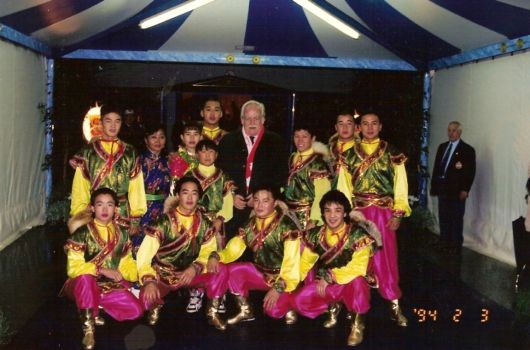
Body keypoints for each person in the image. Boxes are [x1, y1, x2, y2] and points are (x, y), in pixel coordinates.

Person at [136, 177, 228, 331]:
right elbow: (143, 257)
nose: (190, 197)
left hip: (190, 273)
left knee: (221, 270)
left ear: (199, 197)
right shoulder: (163, 222)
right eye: (185, 193)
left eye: (194, 193)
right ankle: (156, 305)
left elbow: (208, 250)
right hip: (164, 274)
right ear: (178, 195)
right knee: (144, 301)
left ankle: (212, 312)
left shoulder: (204, 223)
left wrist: (195, 268)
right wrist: (150, 281)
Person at [293, 190, 379, 347]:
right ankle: (335, 305)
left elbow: (359, 267)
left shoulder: (358, 234)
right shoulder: (316, 235)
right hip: (330, 284)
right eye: (328, 210)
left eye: (337, 210)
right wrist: (286, 283)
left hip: (350, 282)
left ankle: (357, 325)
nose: (332, 215)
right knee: (299, 302)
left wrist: (328, 277)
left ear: (345, 212)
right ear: (323, 213)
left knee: (359, 281)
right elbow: (304, 263)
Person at [61, 188, 144, 350]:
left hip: (106, 286)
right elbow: (73, 268)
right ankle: (88, 328)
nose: (105, 209)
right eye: (100, 205)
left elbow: (126, 264)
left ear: (116, 209)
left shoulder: (122, 234)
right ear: (92, 208)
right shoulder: (82, 233)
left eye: (109, 205)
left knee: (136, 310)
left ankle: (94, 304)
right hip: (79, 284)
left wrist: (143, 276)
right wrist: (103, 271)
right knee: (86, 278)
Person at [207, 185, 301, 325]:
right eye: (256, 200)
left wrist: (279, 287)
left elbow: (292, 264)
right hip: (261, 274)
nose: (259, 205)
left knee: (274, 311)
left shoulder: (287, 227)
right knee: (232, 271)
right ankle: (245, 310)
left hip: (284, 278)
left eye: (265, 201)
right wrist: (216, 256)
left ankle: (289, 305)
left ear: (275, 203)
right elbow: (233, 249)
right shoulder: (249, 225)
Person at [350, 112, 411, 327]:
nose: (369, 127)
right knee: (357, 260)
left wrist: (398, 213)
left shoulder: (392, 153)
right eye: (365, 124)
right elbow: (342, 189)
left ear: (380, 126)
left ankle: (394, 305)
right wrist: (345, 217)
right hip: (358, 215)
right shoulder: (349, 155)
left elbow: (401, 188)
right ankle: (356, 308)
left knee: (386, 260)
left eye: (373, 123)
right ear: (359, 127)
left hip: (383, 214)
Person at [69, 103, 147, 233]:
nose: (113, 125)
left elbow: (136, 187)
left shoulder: (130, 152)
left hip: (121, 213)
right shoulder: (87, 153)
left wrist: (135, 219)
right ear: (100, 123)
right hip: (95, 212)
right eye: (108, 121)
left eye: (117, 121)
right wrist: (80, 215)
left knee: (120, 251)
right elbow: (80, 188)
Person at [217, 100, 288, 239]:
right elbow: (220, 173)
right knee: (232, 249)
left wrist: (257, 196)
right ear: (242, 120)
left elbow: (280, 175)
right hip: (233, 207)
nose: (252, 122)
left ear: (263, 119)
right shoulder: (227, 141)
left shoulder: (276, 141)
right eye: (248, 118)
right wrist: (231, 195)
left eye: (256, 118)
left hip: (264, 209)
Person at [187, 139, 236, 313]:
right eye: (203, 151)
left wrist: (220, 219)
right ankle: (196, 291)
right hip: (195, 222)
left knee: (217, 256)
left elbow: (228, 202)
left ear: (216, 155)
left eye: (211, 152)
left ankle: (219, 293)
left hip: (217, 222)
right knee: (196, 255)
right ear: (197, 154)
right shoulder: (190, 175)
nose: (207, 156)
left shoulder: (223, 176)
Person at [430, 121, 476, 253]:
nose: (451, 133)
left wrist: (465, 189)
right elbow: (437, 168)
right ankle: (444, 241)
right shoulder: (442, 147)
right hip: (442, 188)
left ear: (460, 132)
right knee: (443, 216)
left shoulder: (467, 150)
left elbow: (470, 172)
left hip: (457, 190)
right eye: (449, 130)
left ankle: (455, 245)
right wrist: (434, 186)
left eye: (454, 130)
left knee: (455, 217)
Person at [284, 123, 331, 229]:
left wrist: (314, 220)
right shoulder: (292, 158)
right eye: (297, 136)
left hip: (307, 216)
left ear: (313, 139)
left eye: (304, 136)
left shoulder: (317, 163)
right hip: (289, 215)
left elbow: (322, 195)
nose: (300, 141)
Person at [133, 123, 171, 254]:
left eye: (161, 137)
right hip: (143, 209)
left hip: (163, 210)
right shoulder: (138, 161)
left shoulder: (171, 161)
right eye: (153, 137)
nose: (158, 141)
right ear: (146, 140)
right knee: (141, 246)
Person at [328, 111, 360, 205]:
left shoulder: (362, 152)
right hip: (330, 206)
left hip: (356, 205)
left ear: (355, 127)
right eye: (341, 123)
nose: (345, 127)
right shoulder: (325, 152)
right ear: (336, 127)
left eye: (349, 123)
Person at [168, 120, 202, 193]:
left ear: (201, 137)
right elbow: (174, 185)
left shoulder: (204, 157)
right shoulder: (177, 158)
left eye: (195, 134)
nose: (192, 138)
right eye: (188, 134)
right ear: (182, 137)